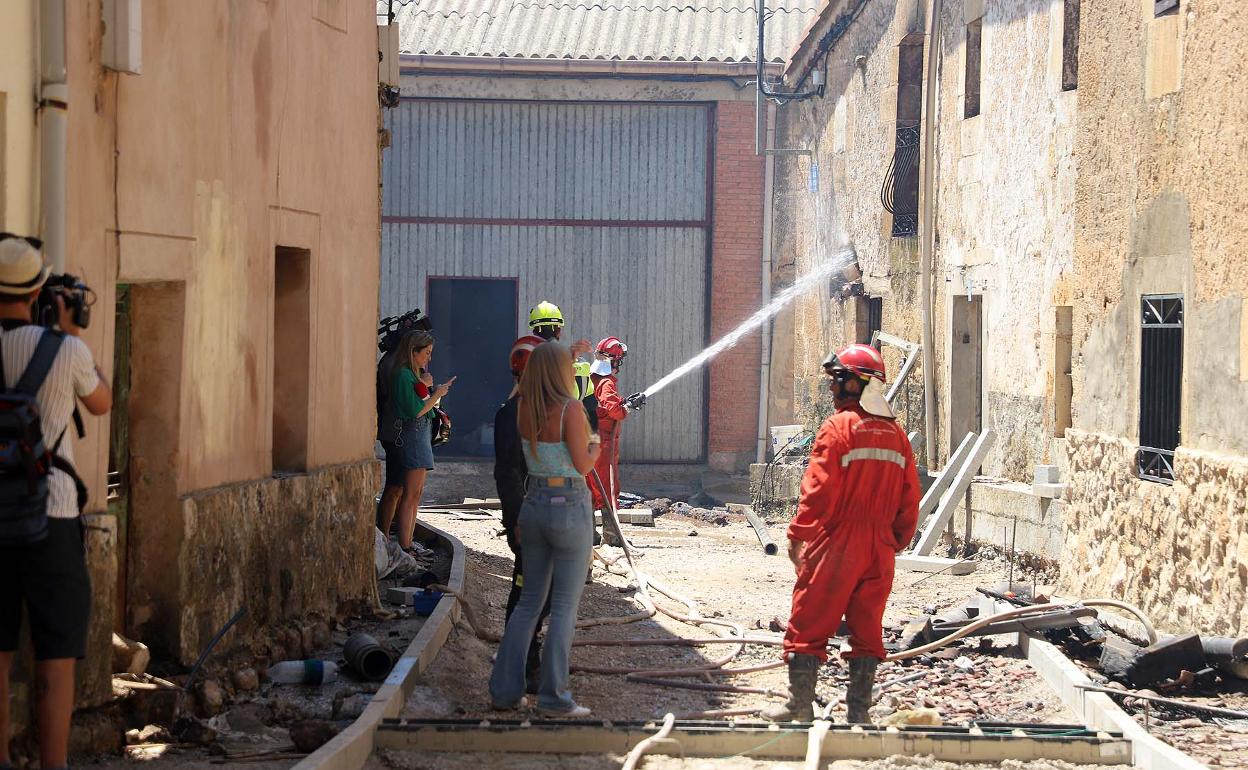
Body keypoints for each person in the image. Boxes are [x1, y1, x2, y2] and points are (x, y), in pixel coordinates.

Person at [761, 344, 920, 724]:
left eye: (839, 380)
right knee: (867, 628)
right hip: (878, 547)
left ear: (859, 384)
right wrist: (893, 540)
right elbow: (910, 497)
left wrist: (799, 536)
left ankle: (799, 706)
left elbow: (818, 490)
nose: (833, 389)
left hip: (837, 542)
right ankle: (859, 715)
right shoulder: (897, 435)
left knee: (809, 621)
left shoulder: (837, 429)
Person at [0, 234, 112, 770]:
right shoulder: (66, 350)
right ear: (39, 289)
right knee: (56, 652)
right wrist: (67, 333)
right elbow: (101, 401)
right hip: (53, 514)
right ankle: (53, 765)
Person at [489, 342, 600, 717]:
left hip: (533, 503)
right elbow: (584, 463)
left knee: (528, 603)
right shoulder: (570, 410)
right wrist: (596, 441)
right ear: (560, 372)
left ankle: (505, 691)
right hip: (568, 504)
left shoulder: (521, 409)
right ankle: (553, 697)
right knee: (565, 606)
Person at [493, 334, 549, 692]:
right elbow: (508, 473)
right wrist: (516, 520)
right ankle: (519, 665)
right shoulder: (511, 415)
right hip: (528, 519)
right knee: (529, 592)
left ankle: (526, 658)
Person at [382, 330, 455, 554]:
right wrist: (436, 393)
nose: (428, 358)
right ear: (413, 352)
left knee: (416, 494)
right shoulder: (403, 375)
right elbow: (416, 410)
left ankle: (409, 541)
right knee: (410, 494)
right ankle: (405, 545)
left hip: (420, 436)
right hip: (412, 436)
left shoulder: (413, 375)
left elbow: (424, 403)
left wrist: (430, 389)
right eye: (426, 353)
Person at [586, 337, 631, 517]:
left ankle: (588, 536)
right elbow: (613, 410)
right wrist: (626, 408)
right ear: (614, 360)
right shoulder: (606, 383)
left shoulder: (590, 378)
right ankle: (611, 533)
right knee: (607, 487)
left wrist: (624, 402)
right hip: (603, 444)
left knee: (588, 486)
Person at [527, 301, 593, 397]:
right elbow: (590, 407)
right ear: (559, 332)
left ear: (534, 333)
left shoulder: (526, 362)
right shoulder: (581, 365)